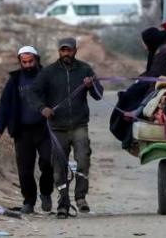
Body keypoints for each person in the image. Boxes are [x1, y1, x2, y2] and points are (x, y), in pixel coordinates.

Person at [26, 37, 104, 217]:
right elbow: (33, 93)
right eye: (63, 50)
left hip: (79, 125)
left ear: (75, 50)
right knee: (59, 166)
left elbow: (98, 95)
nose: (66, 53)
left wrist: (91, 85)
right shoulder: (49, 72)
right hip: (57, 127)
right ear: (58, 52)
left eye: (69, 50)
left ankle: (80, 197)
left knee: (83, 159)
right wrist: (42, 108)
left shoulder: (85, 69)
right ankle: (63, 202)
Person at [0, 46, 53, 214]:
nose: (27, 65)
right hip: (22, 131)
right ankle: (29, 201)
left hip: (45, 129)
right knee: (25, 169)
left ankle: (46, 193)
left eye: (30, 61)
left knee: (47, 163)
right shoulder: (14, 80)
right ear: (20, 62)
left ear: (36, 59)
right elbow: (4, 106)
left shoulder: (47, 76)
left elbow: (59, 95)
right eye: (24, 62)